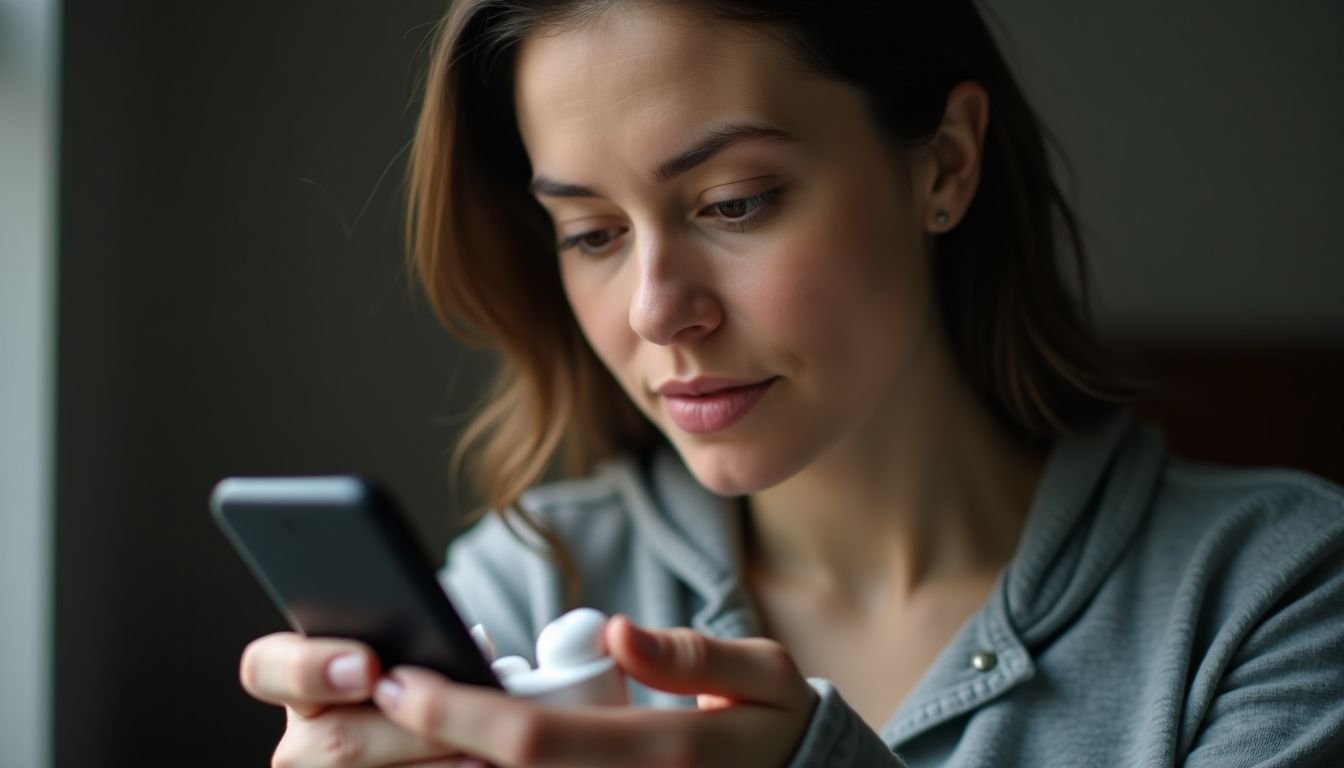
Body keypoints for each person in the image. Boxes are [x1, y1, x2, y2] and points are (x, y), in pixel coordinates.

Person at [237, 1, 1344, 766]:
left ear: (944, 164)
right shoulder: (524, 594)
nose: (655, 311)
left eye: (733, 204)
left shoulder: (1271, 599)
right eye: (590, 232)